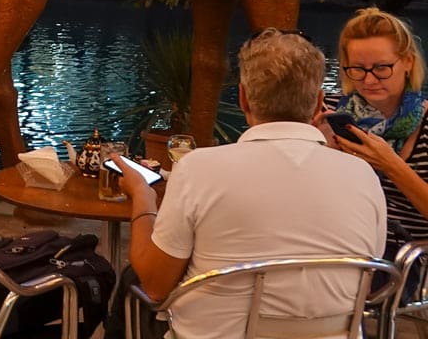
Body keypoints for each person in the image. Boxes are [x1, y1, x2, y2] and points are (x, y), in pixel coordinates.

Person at [121, 28, 386, 339]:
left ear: (244, 97)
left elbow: (155, 285)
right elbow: (365, 279)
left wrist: (142, 196)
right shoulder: (364, 176)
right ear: (317, 104)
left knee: (133, 289)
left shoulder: (198, 169)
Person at [320, 6, 428, 246]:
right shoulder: (327, 112)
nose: (369, 80)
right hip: (341, 249)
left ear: (408, 62)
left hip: (410, 260)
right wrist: (316, 153)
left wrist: (391, 164)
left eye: (381, 68)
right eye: (358, 69)